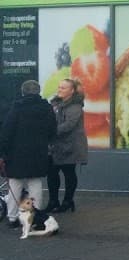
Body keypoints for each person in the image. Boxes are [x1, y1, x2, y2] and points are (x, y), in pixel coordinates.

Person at [0, 79, 59, 229]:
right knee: (35, 183)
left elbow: (7, 132)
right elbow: (53, 130)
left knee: (15, 184)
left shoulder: (17, 107)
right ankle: (35, 218)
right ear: (38, 92)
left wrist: (3, 152)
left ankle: (12, 218)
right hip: (38, 152)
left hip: (16, 153)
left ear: (23, 92)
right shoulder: (46, 108)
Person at [45, 77, 89, 213]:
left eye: (63, 88)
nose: (59, 89)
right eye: (59, 87)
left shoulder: (75, 106)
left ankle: (68, 201)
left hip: (70, 146)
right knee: (52, 173)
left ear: (72, 91)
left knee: (69, 173)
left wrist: (50, 132)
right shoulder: (55, 104)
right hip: (55, 146)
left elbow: (69, 125)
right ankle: (53, 201)